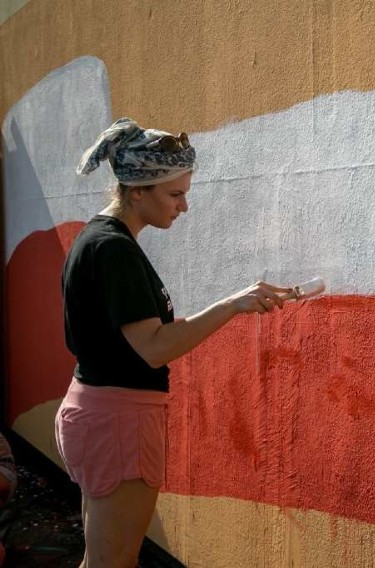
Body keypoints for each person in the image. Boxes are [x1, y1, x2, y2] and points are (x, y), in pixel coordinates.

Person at [55, 117, 291, 567]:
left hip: (101, 411)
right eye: (175, 194)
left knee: (101, 559)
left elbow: (132, 336)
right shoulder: (114, 249)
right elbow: (155, 347)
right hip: (118, 421)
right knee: (114, 563)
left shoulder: (99, 239)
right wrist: (234, 304)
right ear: (137, 189)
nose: (184, 206)